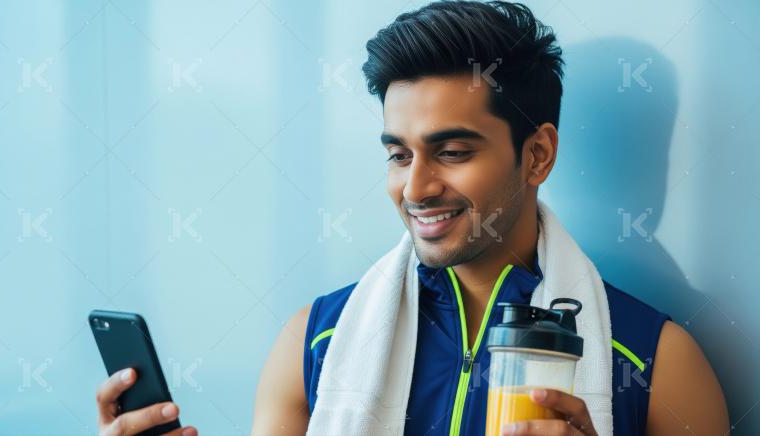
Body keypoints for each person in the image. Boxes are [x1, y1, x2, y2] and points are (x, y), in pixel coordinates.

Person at [250, 1, 728, 435]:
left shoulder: (657, 362)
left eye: (453, 152)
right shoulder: (314, 344)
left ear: (537, 155)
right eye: (399, 155)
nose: (416, 189)